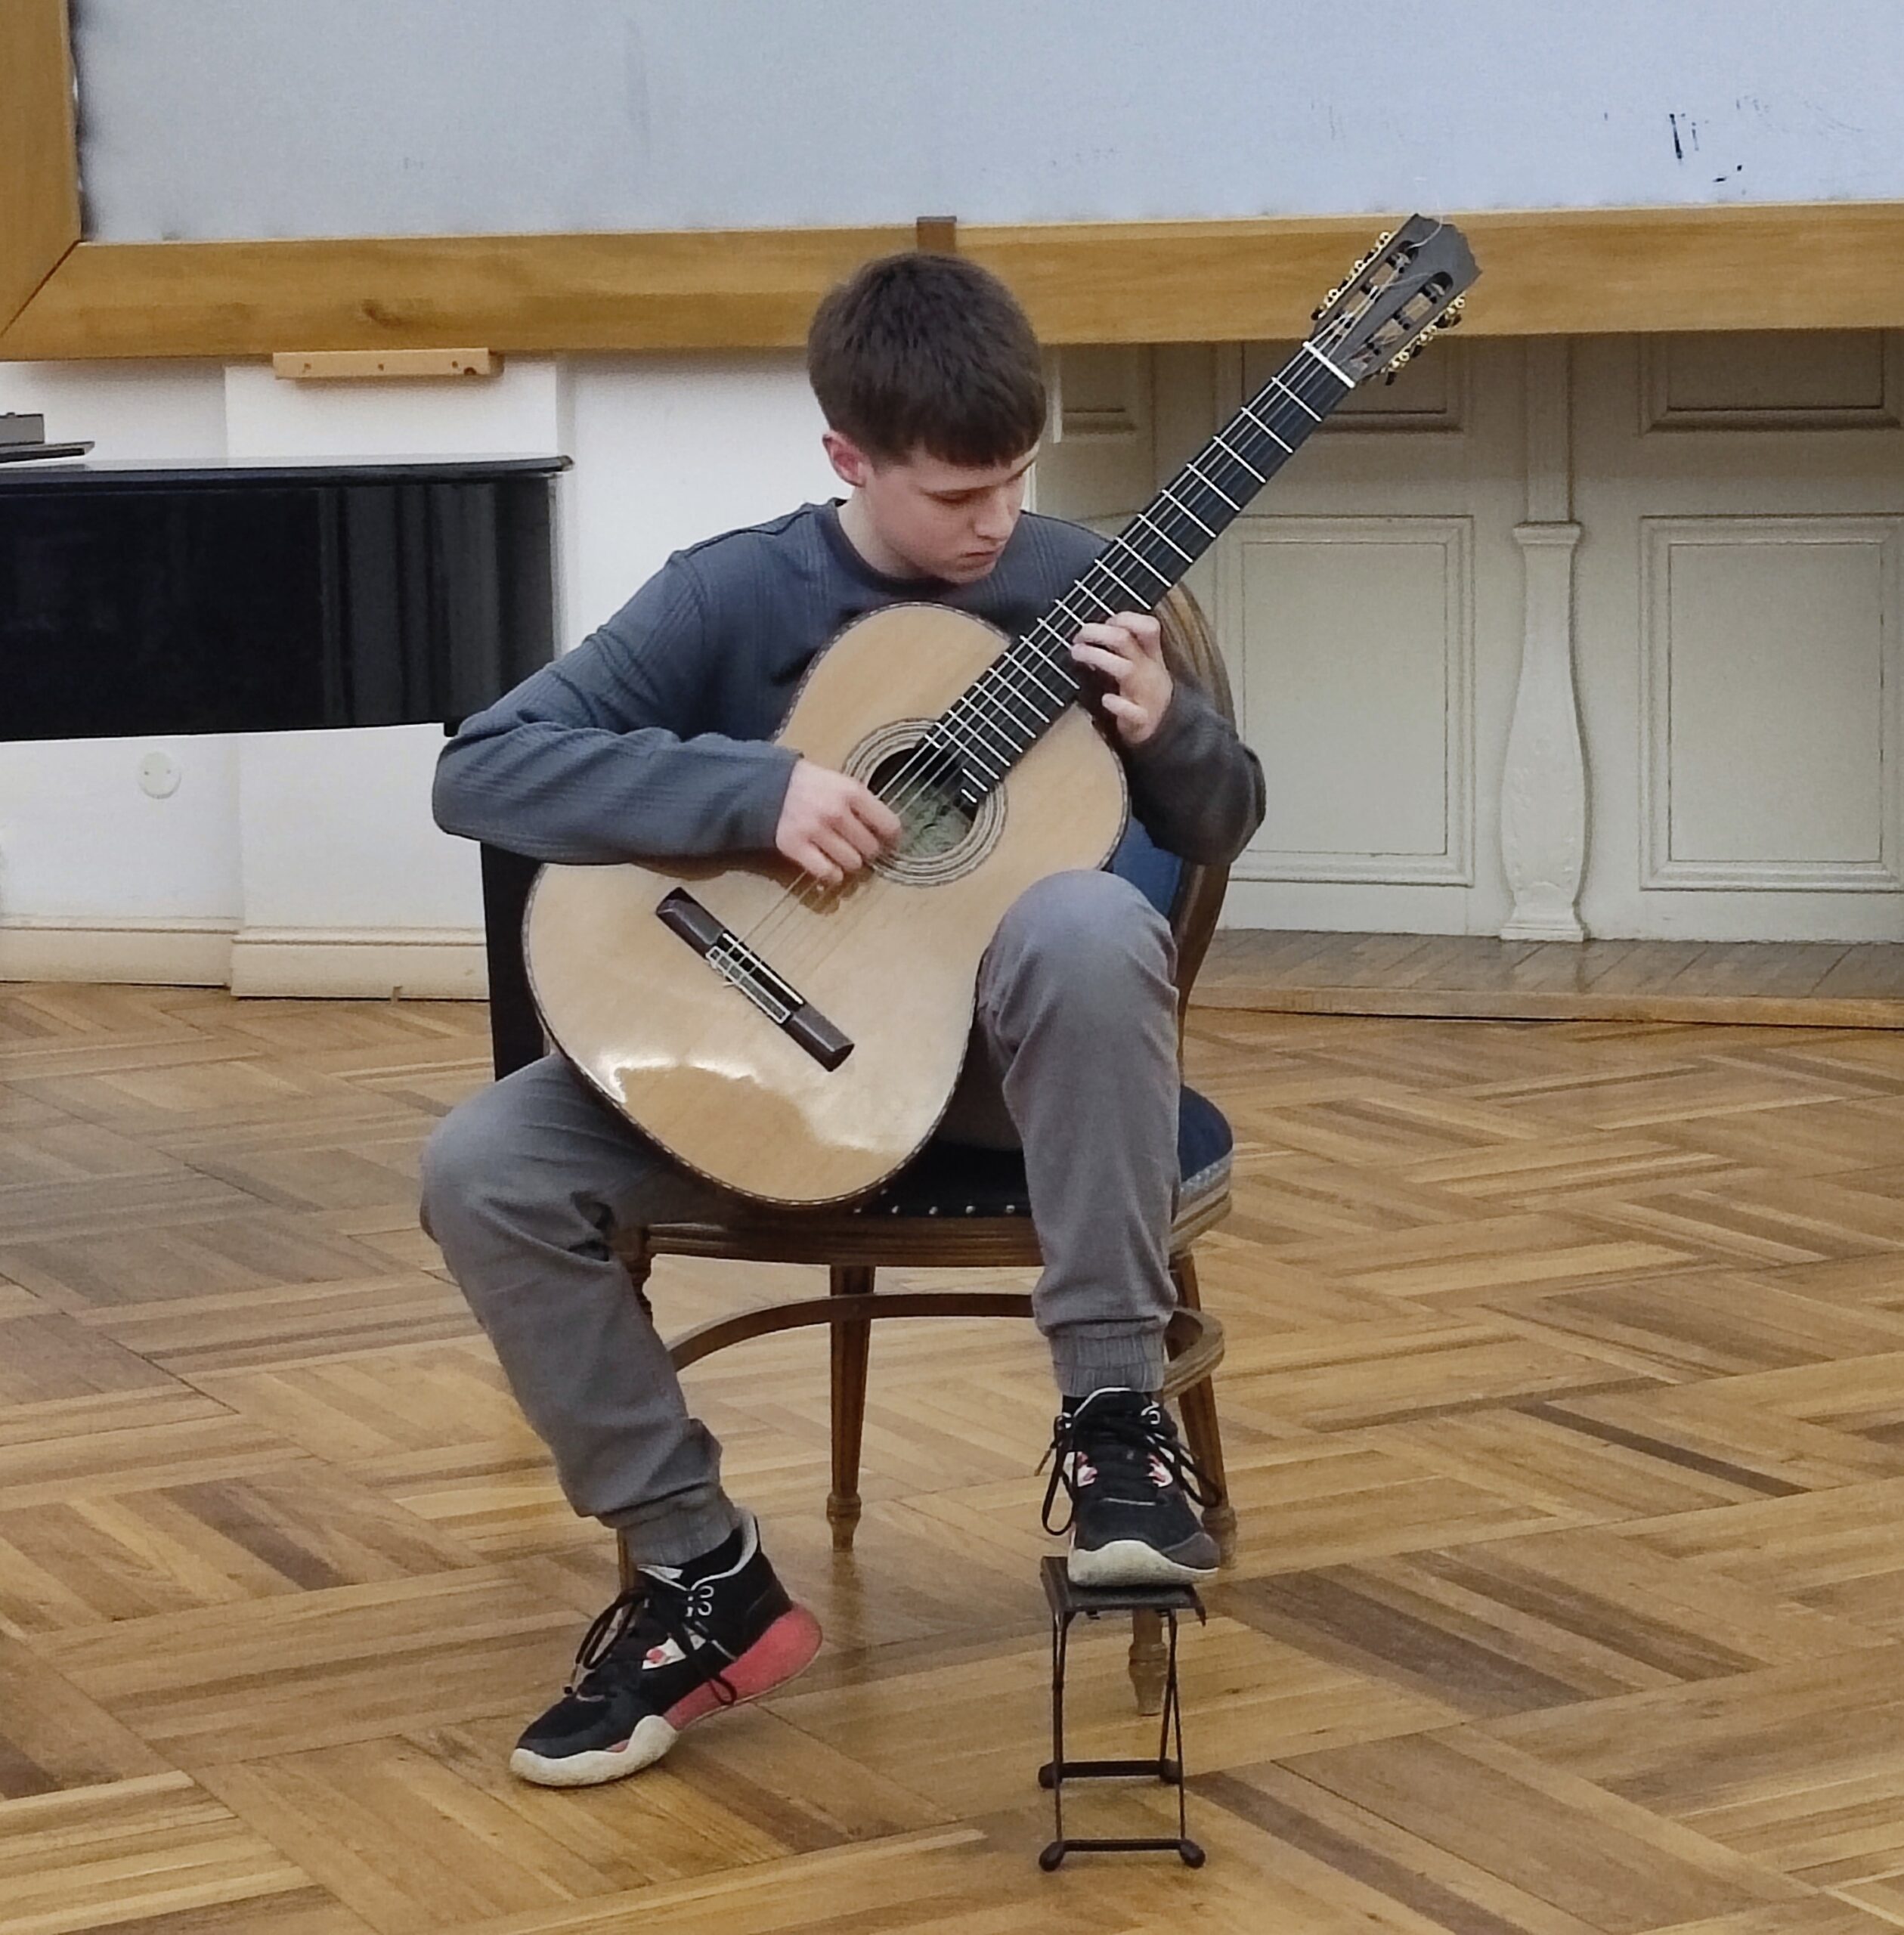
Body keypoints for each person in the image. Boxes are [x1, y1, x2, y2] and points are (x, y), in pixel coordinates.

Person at [420, 251, 1265, 1789]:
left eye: (1015, 478)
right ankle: (698, 1571)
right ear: (848, 458)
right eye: (955, 493)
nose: (996, 521)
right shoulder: (733, 590)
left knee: (1085, 922)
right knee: (482, 1165)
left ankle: (1112, 1424)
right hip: (763, 1061)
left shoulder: (1080, 586)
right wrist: (753, 792)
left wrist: (1170, 730)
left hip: (1005, 1082)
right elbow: (481, 769)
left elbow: (1222, 819)